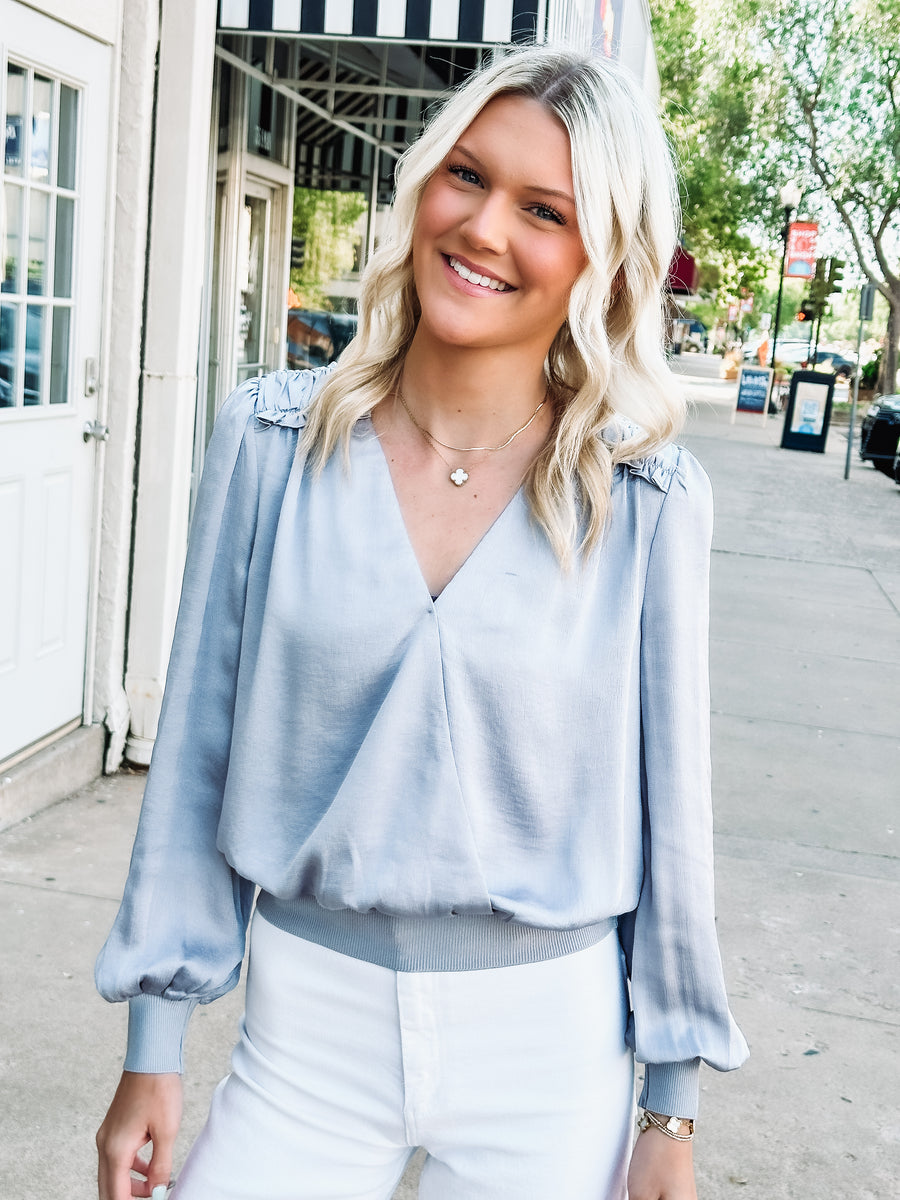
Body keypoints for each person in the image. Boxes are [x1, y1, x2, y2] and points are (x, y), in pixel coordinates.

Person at [95, 46, 748, 1200]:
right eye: (466, 177)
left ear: (602, 261)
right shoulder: (272, 445)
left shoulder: (643, 501)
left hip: (550, 1058)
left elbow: (673, 829)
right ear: (422, 190)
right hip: (304, 1042)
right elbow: (195, 757)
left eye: (544, 210)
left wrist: (671, 1112)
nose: (485, 228)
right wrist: (156, 1047)